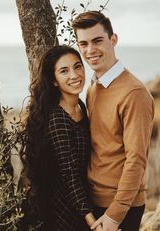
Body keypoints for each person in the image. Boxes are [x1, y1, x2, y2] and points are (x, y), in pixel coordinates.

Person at [72, 11, 154, 231]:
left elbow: (136, 159)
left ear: (113, 39)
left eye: (97, 40)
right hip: (94, 199)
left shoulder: (134, 93)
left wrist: (115, 215)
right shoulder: (93, 87)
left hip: (120, 207)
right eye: (84, 43)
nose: (90, 50)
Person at [24, 45, 102, 231]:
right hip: (62, 212)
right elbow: (70, 175)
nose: (74, 75)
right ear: (54, 81)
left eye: (77, 66)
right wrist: (93, 223)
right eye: (64, 71)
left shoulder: (80, 107)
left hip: (80, 202)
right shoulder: (58, 118)